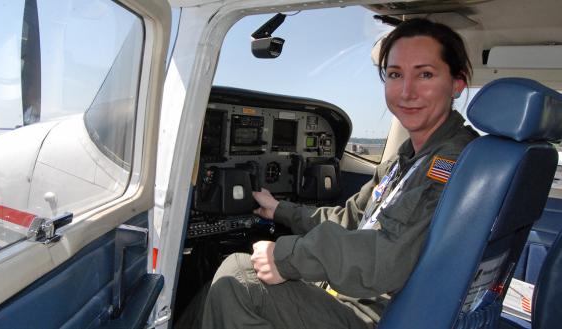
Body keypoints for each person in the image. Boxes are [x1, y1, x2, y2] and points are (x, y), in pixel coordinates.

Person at [201, 18, 479, 329]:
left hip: (377, 313)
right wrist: (281, 210)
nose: (406, 92)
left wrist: (286, 257)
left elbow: (386, 254)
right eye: (395, 75)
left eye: (425, 74)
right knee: (211, 294)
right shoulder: (406, 161)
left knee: (238, 276)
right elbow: (349, 219)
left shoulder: (450, 164)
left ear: (457, 83)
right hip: (361, 298)